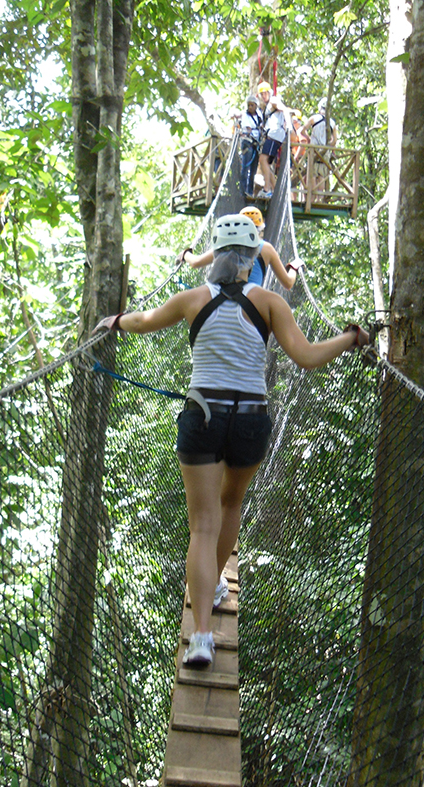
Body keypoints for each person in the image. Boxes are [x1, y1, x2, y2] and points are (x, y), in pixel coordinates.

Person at [94, 214, 369, 667]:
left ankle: (201, 636)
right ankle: (219, 582)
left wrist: (117, 321)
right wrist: (348, 339)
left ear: (217, 255)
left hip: (203, 415)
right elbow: (305, 357)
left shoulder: (191, 299)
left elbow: (144, 321)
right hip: (251, 420)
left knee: (201, 526)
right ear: (250, 258)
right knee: (229, 507)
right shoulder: (267, 301)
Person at [179, 206, 303, 290]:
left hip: (223, 302)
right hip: (253, 305)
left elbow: (196, 262)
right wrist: (293, 267)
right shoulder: (266, 248)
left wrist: (185, 254)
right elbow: (288, 283)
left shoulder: (226, 244)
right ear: (260, 229)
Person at [303, 98, 338, 196]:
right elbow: (334, 140)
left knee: (313, 174)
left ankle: (312, 198)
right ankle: (319, 198)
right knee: (322, 174)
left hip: (314, 149)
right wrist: (328, 146)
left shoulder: (314, 118)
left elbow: (302, 130)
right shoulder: (332, 123)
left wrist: (309, 139)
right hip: (325, 152)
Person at [259, 95, 290, 198]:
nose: (263, 96)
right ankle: (277, 192)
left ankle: (267, 189)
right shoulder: (267, 107)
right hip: (273, 135)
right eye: (261, 93)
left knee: (263, 159)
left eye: (265, 93)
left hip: (274, 135)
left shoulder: (273, 100)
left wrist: (288, 125)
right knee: (266, 163)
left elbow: (284, 109)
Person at [240, 96, 263, 198]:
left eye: (252, 105)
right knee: (245, 167)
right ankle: (243, 190)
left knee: (253, 170)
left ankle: (250, 191)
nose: (250, 107)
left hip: (256, 144)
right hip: (248, 143)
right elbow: (248, 129)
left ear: (256, 106)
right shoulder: (245, 116)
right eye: (248, 105)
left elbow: (261, 127)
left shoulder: (259, 116)